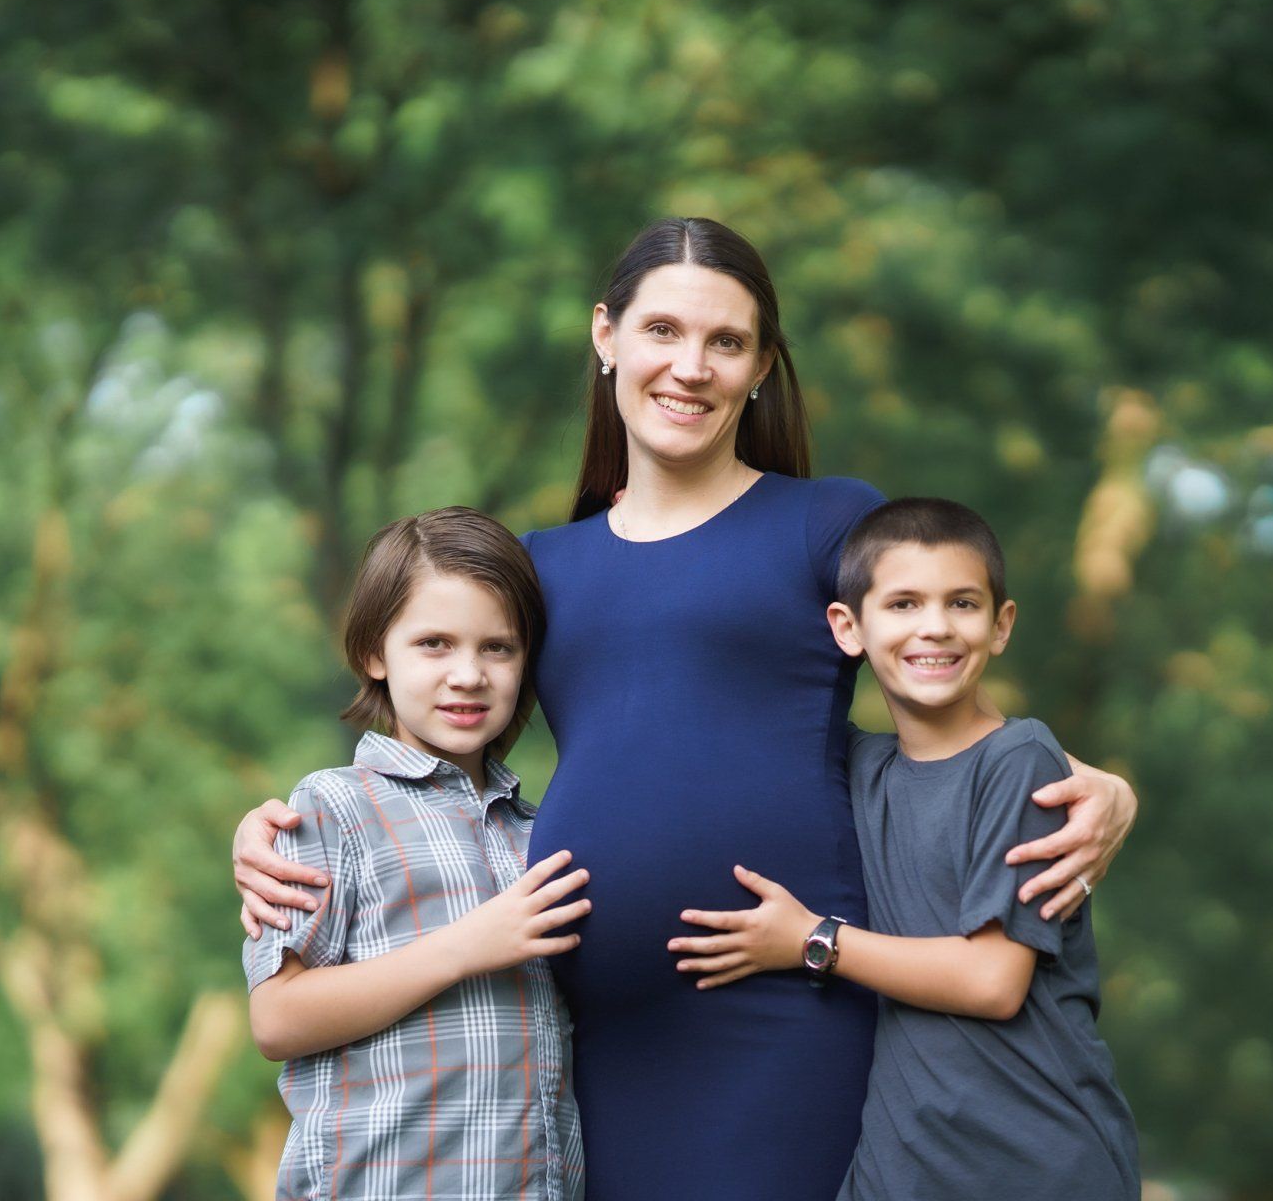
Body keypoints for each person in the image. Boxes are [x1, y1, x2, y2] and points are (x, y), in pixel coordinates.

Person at [234, 218, 1141, 1200]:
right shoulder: (542, 567)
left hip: (785, 1010)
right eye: (663, 330)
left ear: (760, 368)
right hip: (592, 1038)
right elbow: (438, 740)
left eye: (727, 342)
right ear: (605, 335)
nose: (691, 366)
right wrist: (278, 826)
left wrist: (1108, 788)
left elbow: (949, 698)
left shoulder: (828, 522)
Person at [668, 496, 1141, 1199]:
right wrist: (666, 522)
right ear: (848, 627)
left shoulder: (1020, 759)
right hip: (907, 1169)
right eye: (904, 604)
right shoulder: (857, 770)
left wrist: (809, 940)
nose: (935, 628)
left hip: (1041, 1162)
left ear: (1001, 625)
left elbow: (993, 981)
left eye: (962, 603)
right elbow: (739, 685)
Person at [242, 508, 589, 1201]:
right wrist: (466, 946)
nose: (469, 674)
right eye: (434, 643)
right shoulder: (333, 807)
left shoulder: (541, 833)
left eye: (499, 648)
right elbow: (277, 1019)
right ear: (376, 651)